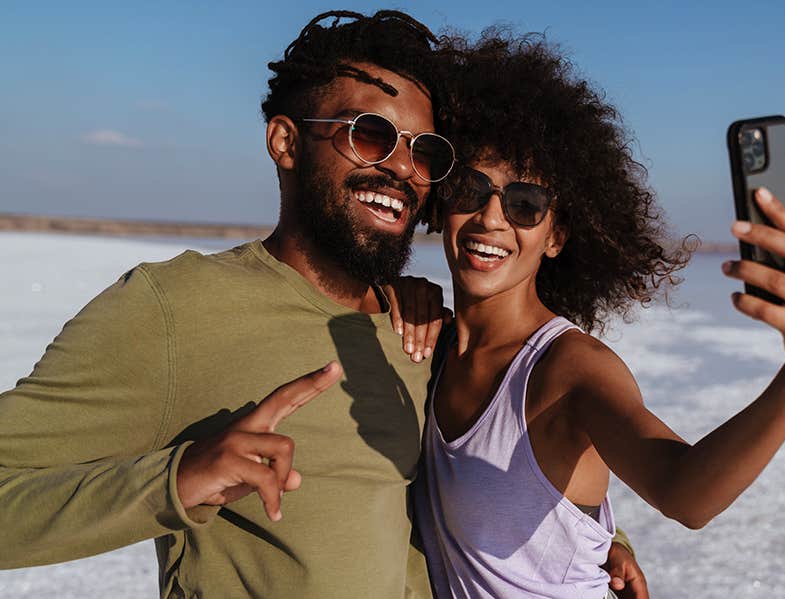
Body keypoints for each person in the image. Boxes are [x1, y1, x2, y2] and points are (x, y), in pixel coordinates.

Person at [0, 11, 642, 598]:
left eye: (426, 152)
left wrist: (589, 544)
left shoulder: (422, 331)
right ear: (285, 142)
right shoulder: (172, 311)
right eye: (370, 135)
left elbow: (460, 494)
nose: (401, 169)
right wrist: (179, 480)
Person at [404, 29, 785, 598]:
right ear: (443, 201)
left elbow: (686, 494)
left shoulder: (570, 371)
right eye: (471, 189)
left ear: (556, 235)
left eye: (524, 204)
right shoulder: (431, 343)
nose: (492, 218)